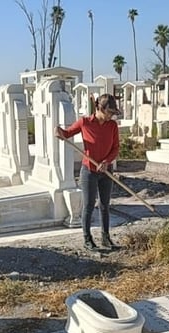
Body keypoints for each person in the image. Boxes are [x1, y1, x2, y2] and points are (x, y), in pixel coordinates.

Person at [55, 93, 121, 251]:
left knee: (105, 205)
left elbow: (115, 148)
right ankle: (87, 239)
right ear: (100, 108)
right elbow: (67, 133)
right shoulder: (85, 123)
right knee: (89, 205)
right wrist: (59, 131)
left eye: (113, 113)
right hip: (89, 172)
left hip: (106, 171)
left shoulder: (112, 126)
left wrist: (106, 162)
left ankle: (106, 238)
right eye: (109, 112)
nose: (111, 115)